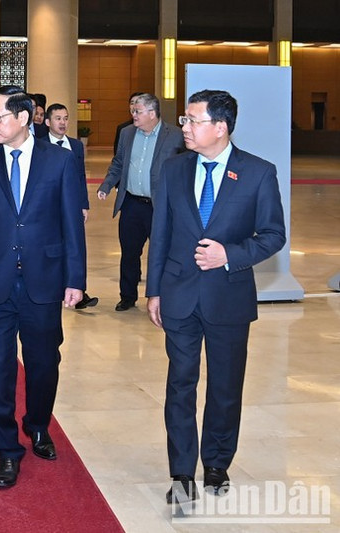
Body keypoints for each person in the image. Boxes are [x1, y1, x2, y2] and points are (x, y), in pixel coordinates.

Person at [146, 90, 286, 504]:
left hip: (228, 296)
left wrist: (231, 255)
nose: (184, 127)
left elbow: (274, 235)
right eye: (185, 120)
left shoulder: (258, 173)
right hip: (179, 294)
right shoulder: (173, 169)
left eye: (192, 120)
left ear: (220, 128)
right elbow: (162, 233)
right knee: (180, 384)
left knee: (225, 387)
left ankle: (217, 462)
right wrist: (153, 290)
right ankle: (181, 472)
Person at [0, 85, 86, 489]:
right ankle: (5, 448)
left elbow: (72, 225)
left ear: (23, 116)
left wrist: (75, 278)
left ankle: (37, 425)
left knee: (44, 362)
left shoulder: (62, 162)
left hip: (44, 280)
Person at [97, 93, 184, 312]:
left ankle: (161, 296)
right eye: (132, 111)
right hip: (131, 204)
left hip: (160, 206)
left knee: (161, 252)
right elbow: (118, 162)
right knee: (129, 252)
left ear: (152, 113)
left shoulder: (175, 135)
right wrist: (106, 185)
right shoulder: (127, 133)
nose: (133, 115)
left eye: (137, 111)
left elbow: (185, 168)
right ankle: (127, 296)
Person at [45, 102, 98, 310]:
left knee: (74, 245)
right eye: (58, 118)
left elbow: (80, 176)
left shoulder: (75, 146)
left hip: (71, 205)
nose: (63, 123)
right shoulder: (39, 144)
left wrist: (83, 204)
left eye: (66, 118)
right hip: (48, 206)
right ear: (48, 122)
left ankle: (78, 289)